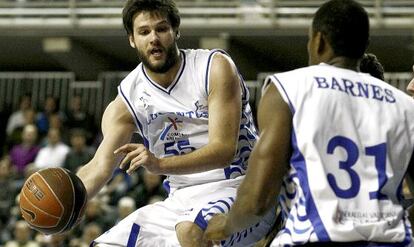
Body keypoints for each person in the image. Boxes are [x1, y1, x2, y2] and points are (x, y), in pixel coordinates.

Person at [205, 0, 414, 246]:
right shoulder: (404, 104)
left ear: (319, 41)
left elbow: (258, 197)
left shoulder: (289, 89)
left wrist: (226, 224)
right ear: (363, 46)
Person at [76, 0, 275, 246]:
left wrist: (158, 163)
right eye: (144, 31)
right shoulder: (127, 97)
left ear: (176, 31)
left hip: (242, 189)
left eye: (161, 29)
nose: (154, 38)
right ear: (132, 39)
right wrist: (69, 202)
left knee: (191, 232)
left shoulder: (213, 67)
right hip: (180, 201)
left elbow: (224, 150)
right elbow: (99, 165)